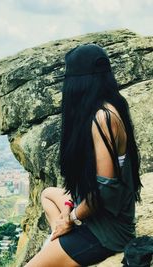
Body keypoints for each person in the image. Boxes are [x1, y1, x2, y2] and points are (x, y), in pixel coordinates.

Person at [25, 43, 142, 267]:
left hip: (106, 231)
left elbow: (103, 191)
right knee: (49, 195)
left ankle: (63, 246)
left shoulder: (104, 118)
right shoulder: (110, 106)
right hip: (93, 215)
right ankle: (63, 245)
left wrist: (72, 218)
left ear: (78, 83)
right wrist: (68, 214)